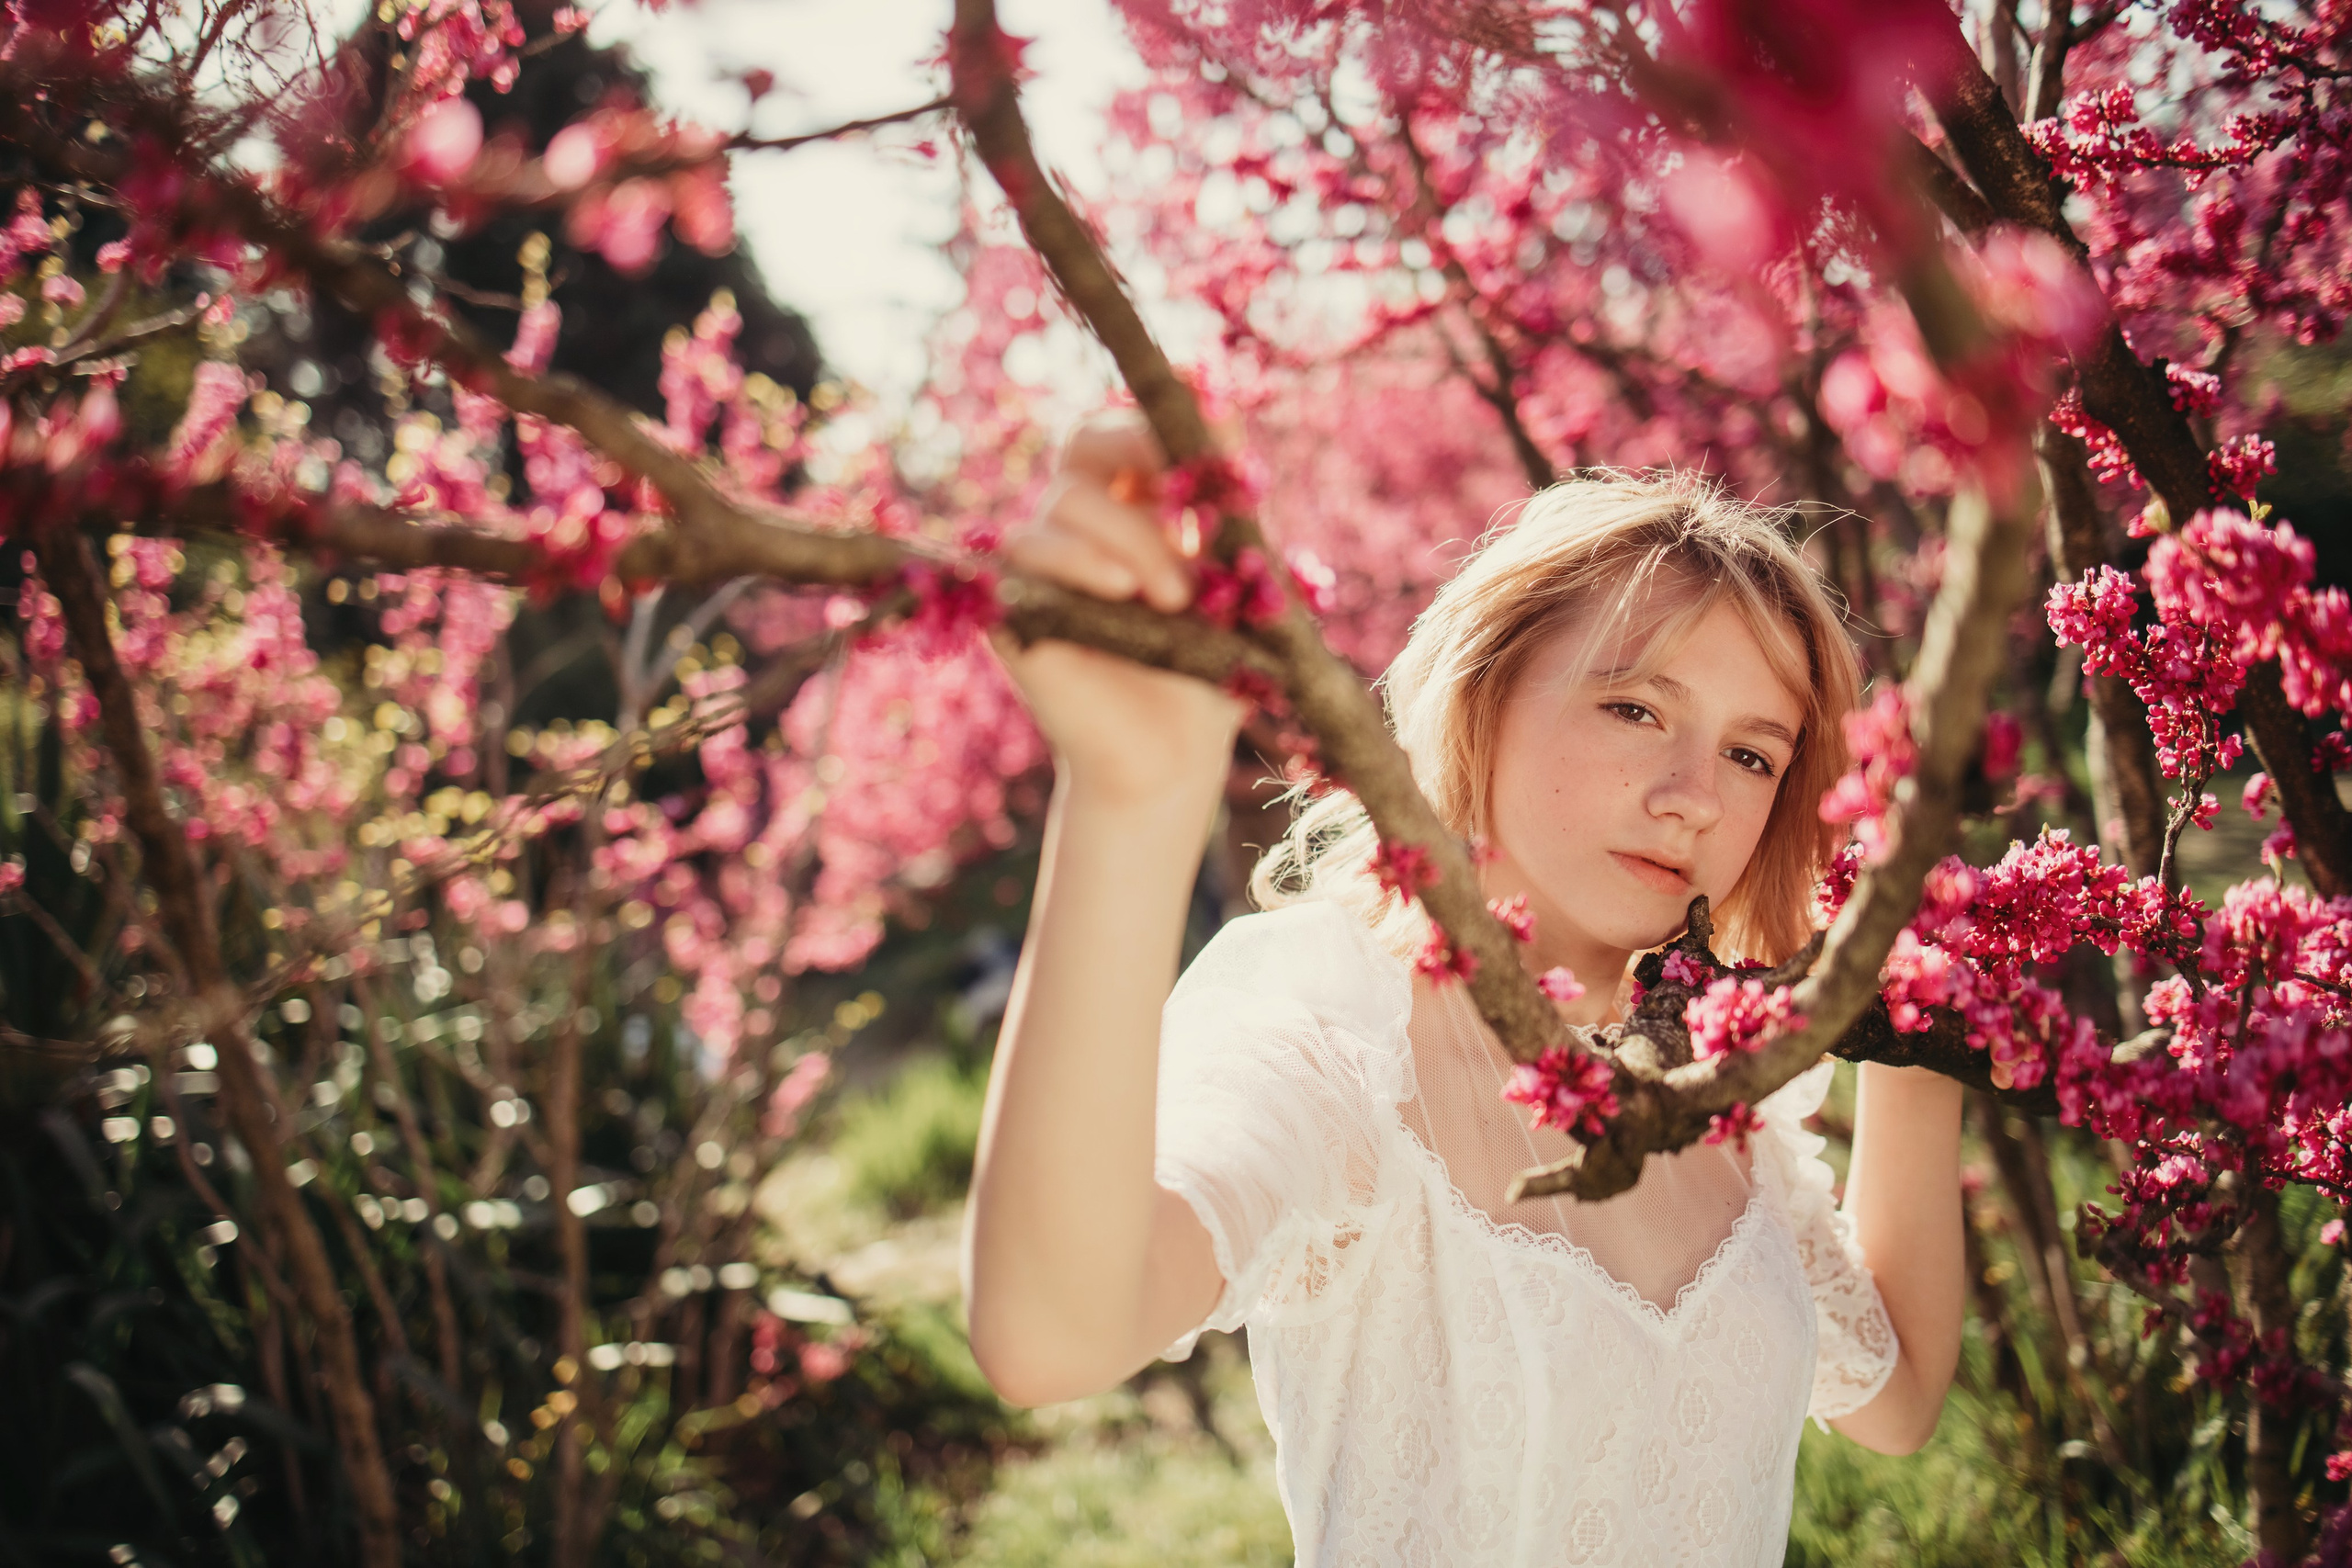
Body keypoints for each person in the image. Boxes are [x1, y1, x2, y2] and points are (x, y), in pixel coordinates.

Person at [962, 409, 1964, 1565]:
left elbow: (1895, 1398)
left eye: (1752, 753)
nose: (1694, 794)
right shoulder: (1341, 1035)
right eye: (1635, 708)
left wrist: (1918, 1028)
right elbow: (1052, 1333)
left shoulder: (1715, 1082)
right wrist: (1130, 799)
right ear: (1483, 694)